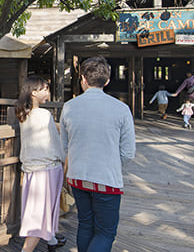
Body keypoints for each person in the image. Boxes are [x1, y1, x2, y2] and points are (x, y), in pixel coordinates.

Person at [60, 57, 136, 252]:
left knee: (85, 223)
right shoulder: (121, 109)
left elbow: (64, 147)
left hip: (77, 176)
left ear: (83, 79)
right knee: (105, 231)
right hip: (107, 178)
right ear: (107, 80)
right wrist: (111, 164)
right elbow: (128, 152)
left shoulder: (69, 107)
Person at [16, 76, 68, 252]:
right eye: (44, 89)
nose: (48, 92)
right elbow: (55, 142)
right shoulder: (43, 114)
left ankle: (52, 239)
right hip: (47, 169)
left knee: (39, 208)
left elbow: (52, 127)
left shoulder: (25, 114)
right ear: (34, 92)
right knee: (41, 212)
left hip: (32, 169)